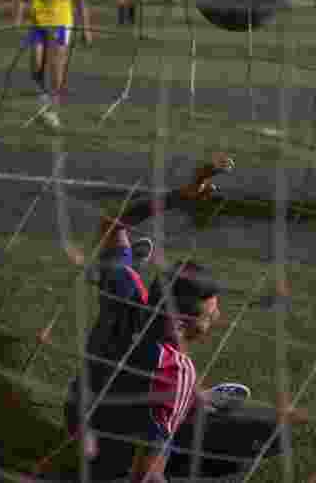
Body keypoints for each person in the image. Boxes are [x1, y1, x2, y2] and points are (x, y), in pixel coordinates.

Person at [63, 154, 287, 482]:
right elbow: (148, 477)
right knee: (268, 435)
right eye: (210, 314)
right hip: (114, 449)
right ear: (180, 323)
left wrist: (182, 195)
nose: (219, 316)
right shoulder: (173, 372)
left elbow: (113, 221)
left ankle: (196, 405)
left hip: (80, 414)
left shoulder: (125, 295)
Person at [14, 0, 92, 129]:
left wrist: (86, 29)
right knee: (36, 64)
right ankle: (43, 103)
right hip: (38, 23)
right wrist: (18, 19)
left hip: (61, 23)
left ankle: (53, 111)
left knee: (56, 66)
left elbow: (80, 0)